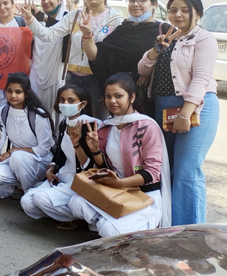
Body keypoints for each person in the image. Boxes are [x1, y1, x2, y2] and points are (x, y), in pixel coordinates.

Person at [138, 0, 219, 225]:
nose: (178, 14)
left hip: (195, 106)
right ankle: (168, 227)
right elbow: (143, 69)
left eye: (185, 10)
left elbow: (201, 78)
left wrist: (186, 113)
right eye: (173, 9)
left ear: (198, 13)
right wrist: (156, 49)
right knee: (167, 167)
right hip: (163, 107)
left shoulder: (203, 39)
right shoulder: (168, 37)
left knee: (186, 170)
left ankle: (190, 233)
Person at [68, 73, 171, 237]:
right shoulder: (106, 127)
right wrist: (95, 149)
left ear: (132, 97)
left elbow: (151, 172)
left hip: (143, 195)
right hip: (117, 191)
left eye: (118, 96)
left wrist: (120, 183)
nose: (112, 101)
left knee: (109, 230)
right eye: (108, 96)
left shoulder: (146, 126)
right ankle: (112, 223)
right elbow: (103, 166)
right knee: (76, 203)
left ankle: (114, 226)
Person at [19, 0, 124, 120]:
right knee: (72, 121)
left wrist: (109, 85)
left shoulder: (116, 20)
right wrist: (30, 19)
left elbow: (116, 58)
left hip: (98, 81)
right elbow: (48, 35)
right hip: (72, 78)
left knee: (97, 122)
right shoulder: (74, 16)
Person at [20, 84, 101, 230]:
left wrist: (77, 145)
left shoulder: (90, 125)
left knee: (40, 198)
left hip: (80, 180)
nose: (65, 104)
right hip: (62, 175)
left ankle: (78, 217)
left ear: (83, 104)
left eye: (71, 101)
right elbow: (60, 154)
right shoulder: (65, 122)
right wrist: (51, 169)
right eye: (62, 100)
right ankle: (60, 212)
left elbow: (91, 167)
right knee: (27, 203)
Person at [0, 73, 54, 199]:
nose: (13, 95)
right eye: (9, 91)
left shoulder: (38, 115)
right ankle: (28, 186)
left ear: (27, 93)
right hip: (17, 160)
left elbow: (44, 149)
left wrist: (14, 150)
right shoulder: (3, 111)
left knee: (17, 157)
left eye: (18, 92)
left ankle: (28, 194)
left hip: (40, 160)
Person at [89, 0, 166, 89]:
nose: (135, 4)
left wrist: (149, 73)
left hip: (144, 92)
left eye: (142, 0)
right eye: (132, 1)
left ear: (154, 4)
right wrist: (86, 35)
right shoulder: (123, 28)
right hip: (117, 92)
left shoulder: (163, 30)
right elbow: (100, 54)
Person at [28, 0, 68, 118]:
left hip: (58, 75)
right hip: (38, 75)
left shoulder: (67, 20)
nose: (46, 1)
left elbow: (49, 35)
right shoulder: (41, 23)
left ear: (60, 0)